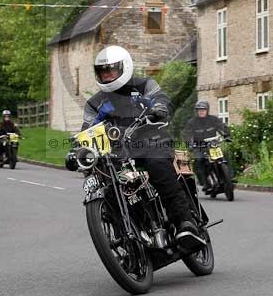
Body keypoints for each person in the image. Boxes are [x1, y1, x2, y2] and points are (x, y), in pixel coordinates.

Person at [67, 45, 205, 251]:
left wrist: (158, 109)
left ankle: (185, 223)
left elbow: (161, 98)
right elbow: (88, 127)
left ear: (124, 67)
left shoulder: (143, 85)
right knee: (107, 182)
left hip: (151, 140)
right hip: (119, 152)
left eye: (111, 70)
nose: (107, 75)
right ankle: (128, 233)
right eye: (102, 72)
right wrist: (78, 146)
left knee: (157, 166)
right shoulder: (95, 103)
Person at [182, 101, 231, 193]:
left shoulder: (213, 119)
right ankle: (205, 182)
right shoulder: (192, 122)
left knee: (225, 155)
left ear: (207, 110)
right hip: (199, 146)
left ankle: (229, 178)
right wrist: (190, 144)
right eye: (199, 110)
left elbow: (222, 127)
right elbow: (187, 134)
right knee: (199, 160)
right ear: (196, 111)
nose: (201, 112)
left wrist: (226, 135)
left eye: (203, 110)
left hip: (213, 145)